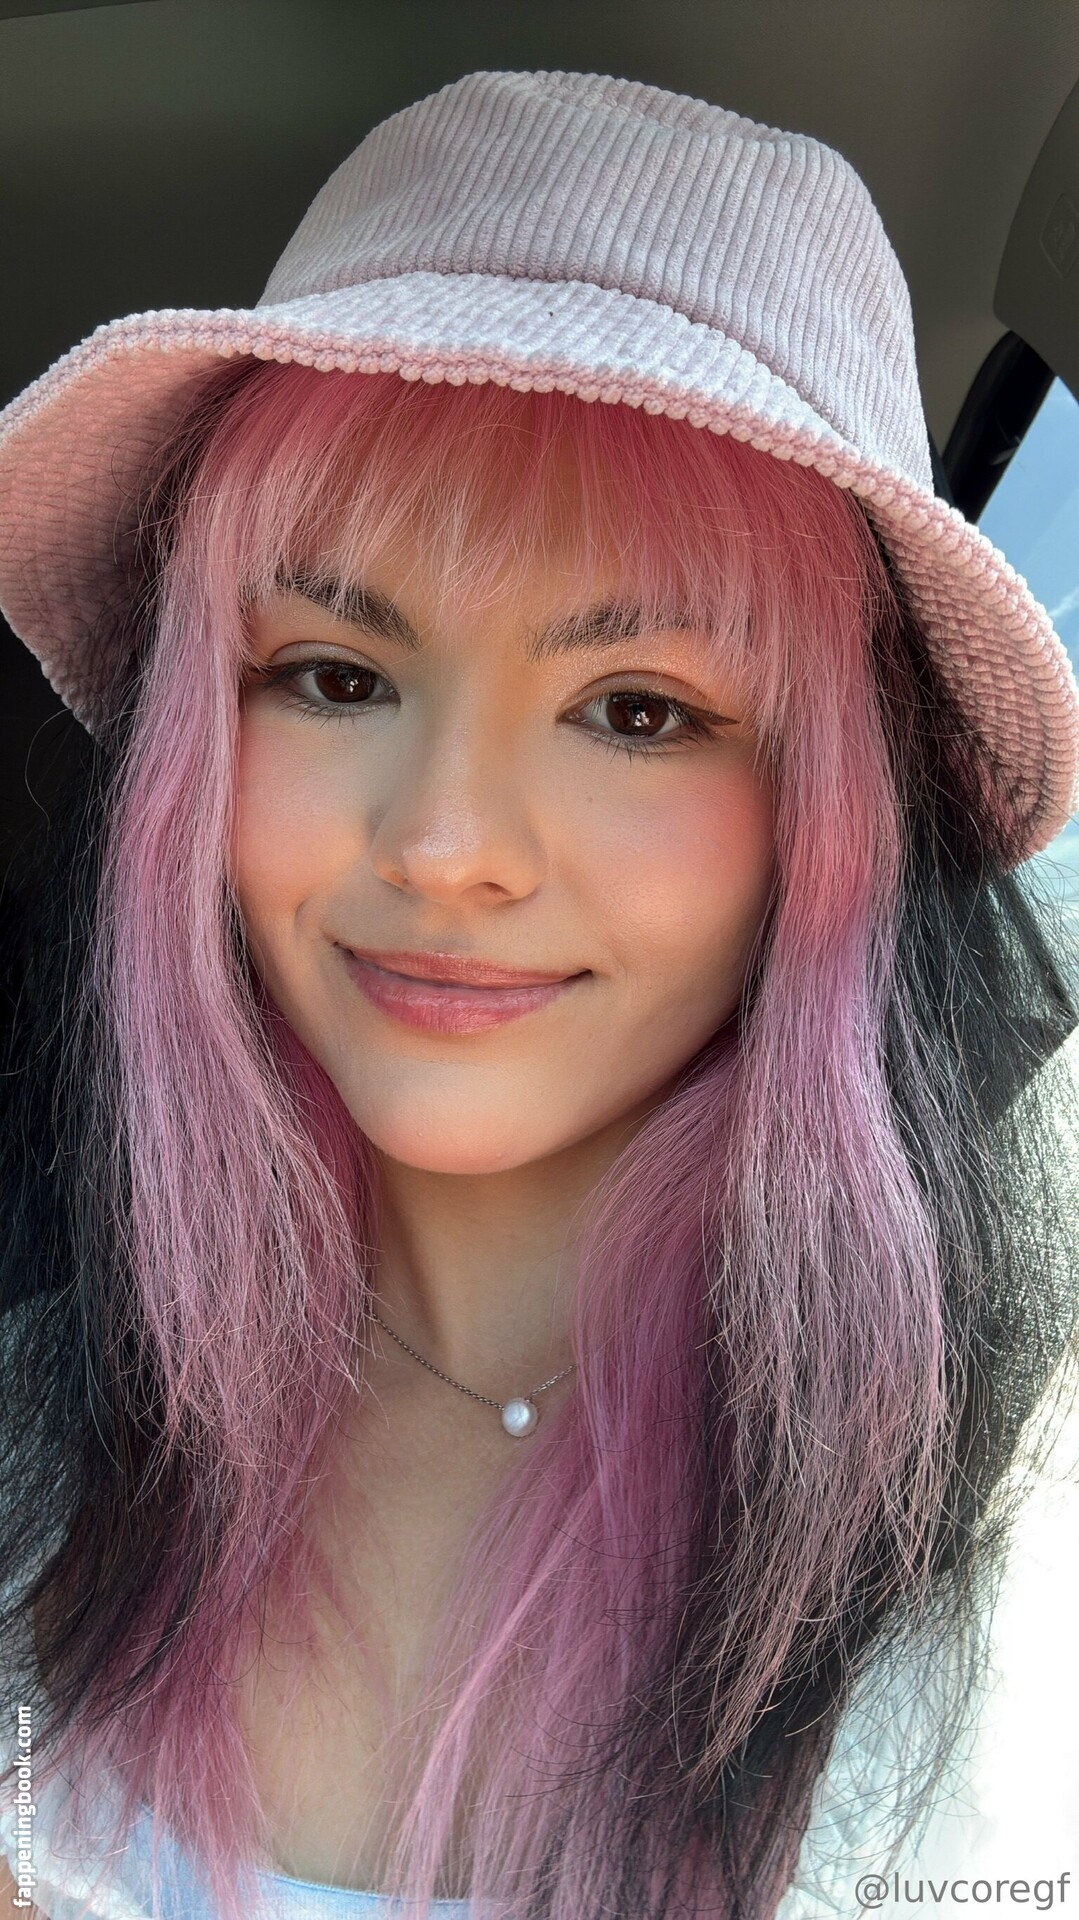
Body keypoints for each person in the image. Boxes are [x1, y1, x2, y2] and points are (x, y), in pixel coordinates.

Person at [1, 67, 1078, 1920]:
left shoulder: (1023, 1564)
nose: (445, 845)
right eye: (334, 674)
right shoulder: (35, 1434)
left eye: (636, 710)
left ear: (827, 818)